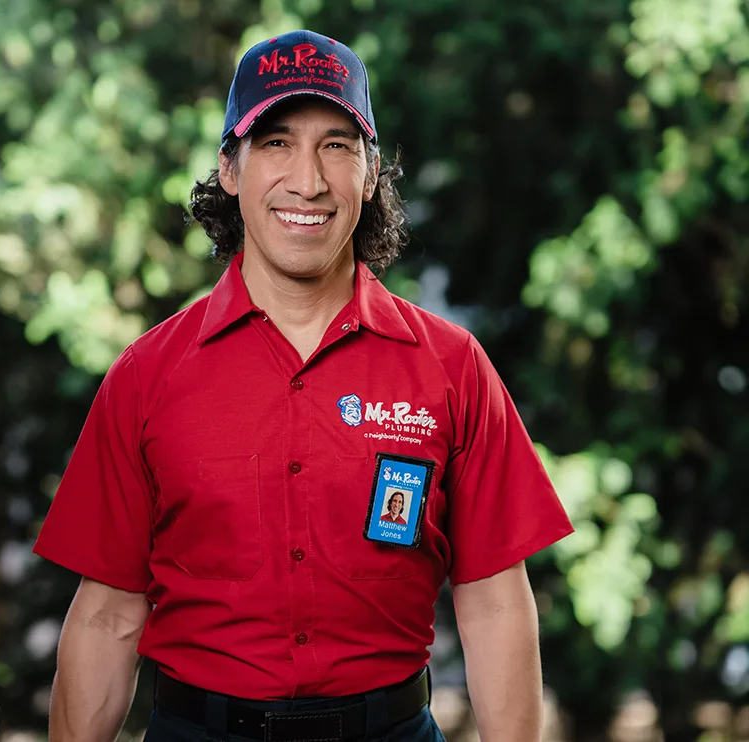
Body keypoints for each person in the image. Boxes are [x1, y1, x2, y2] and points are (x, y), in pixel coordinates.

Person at [32, 28, 574, 742]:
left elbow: (496, 604)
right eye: (278, 143)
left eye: (337, 145)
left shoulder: (451, 367)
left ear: (372, 171)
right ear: (230, 167)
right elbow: (106, 616)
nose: (309, 181)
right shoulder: (146, 376)